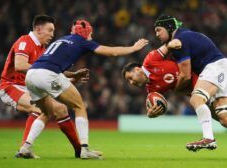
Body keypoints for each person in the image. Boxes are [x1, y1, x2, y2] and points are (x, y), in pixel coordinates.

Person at [18, 19, 148, 159]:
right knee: (79, 106)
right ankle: (84, 149)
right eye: (90, 34)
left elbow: (50, 63)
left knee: (46, 112)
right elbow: (112, 52)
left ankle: (26, 147)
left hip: (31, 75)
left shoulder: (62, 39)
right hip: (48, 74)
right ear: (86, 32)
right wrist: (133, 48)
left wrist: (72, 76)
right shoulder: (82, 41)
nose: (91, 37)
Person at [152, 14, 227, 160]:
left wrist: (174, 89)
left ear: (169, 28)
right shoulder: (187, 35)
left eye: (159, 30)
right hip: (224, 68)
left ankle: (208, 138)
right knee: (226, 119)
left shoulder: (178, 41)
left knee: (196, 99)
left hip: (214, 68)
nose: (156, 34)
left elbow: (185, 75)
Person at [0, 15, 82, 158]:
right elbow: (20, 65)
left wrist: (72, 75)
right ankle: (25, 148)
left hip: (30, 87)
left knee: (61, 109)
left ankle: (80, 150)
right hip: (11, 86)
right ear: (38, 29)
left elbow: (51, 70)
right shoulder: (24, 41)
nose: (52, 35)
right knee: (39, 109)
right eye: (50, 30)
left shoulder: (43, 49)